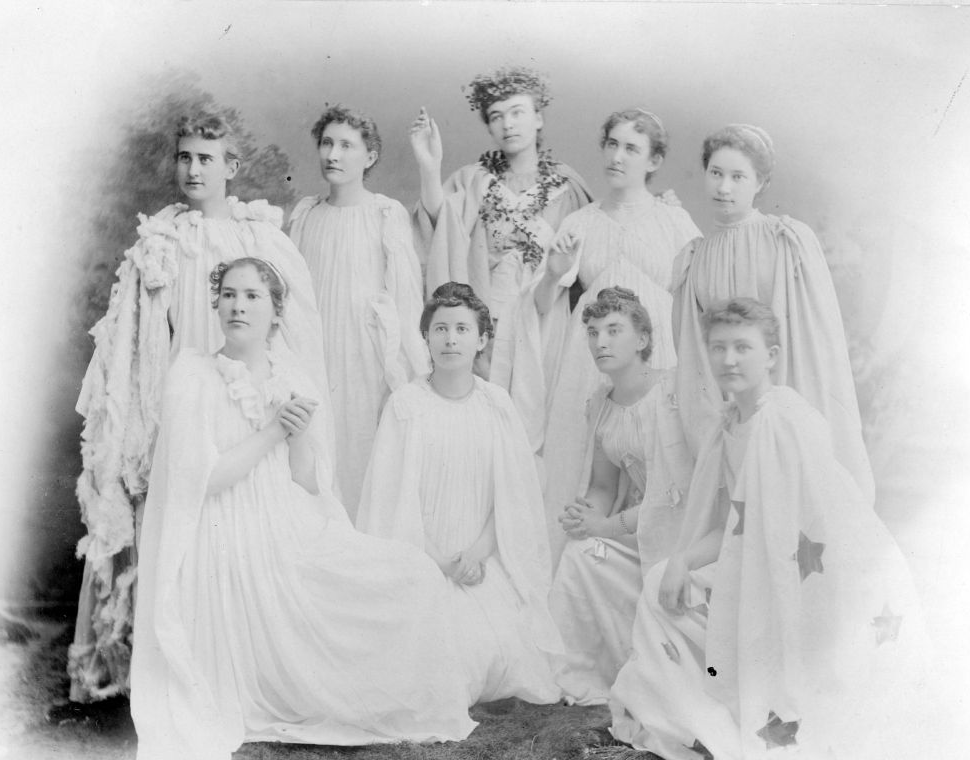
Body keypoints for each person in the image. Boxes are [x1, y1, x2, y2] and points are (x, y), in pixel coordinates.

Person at [131, 259, 476, 760]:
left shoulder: (292, 375)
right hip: (224, 534)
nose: (238, 306)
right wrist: (274, 429)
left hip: (287, 520)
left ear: (276, 312)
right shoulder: (193, 375)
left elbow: (308, 481)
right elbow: (204, 481)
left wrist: (297, 435)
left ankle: (399, 698)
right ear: (216, 305)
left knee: (413, 573)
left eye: (253, 296)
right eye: (229, 294)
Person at [70, 114, 332, 703]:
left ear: (231, 168)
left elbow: (290, 330)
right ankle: (160, 659)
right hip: (179, 392)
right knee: (167, 522)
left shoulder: (258, 239)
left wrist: (277, 398)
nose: (193, 169)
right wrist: (148, 413)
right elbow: (138, 340)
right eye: (185, 157)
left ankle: (234, 658)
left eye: (206, 159)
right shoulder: (161, 240)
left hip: (243, 397)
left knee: (237, 524)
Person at [608, 299, 938, 760]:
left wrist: (751, 578)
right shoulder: (728, 425)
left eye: (742, 347)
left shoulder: (785, 420)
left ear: (772, 355)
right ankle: (700, 712)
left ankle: (775, 715)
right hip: (755, 563)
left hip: (811, 573)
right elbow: (736, 524)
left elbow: (817, 524)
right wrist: (681, 561)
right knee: (661, 583)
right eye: (718, 347)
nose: (728, 359)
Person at [357, 282, 563, 706]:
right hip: (423, 558)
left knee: (501, 653)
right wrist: (440, 563)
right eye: (441, 329)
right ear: (426, 337)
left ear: (482, 339)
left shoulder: (497, 405)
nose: (450, 339)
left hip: (481, 559)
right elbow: (393, 502)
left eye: (462, 329)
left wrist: (475, 555)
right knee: (437, 659)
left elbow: (512, 500)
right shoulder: (406, 405)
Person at [672, 124, 873, 503]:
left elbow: (812, 341)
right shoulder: (694, 259)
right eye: (715, 173)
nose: (724, 187)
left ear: (760, 182)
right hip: (728, 413)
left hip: (787, 399)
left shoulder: (786, 240)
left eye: (738, 177)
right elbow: (694, 358)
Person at [535, 110, 700, 556]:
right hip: (588, 359)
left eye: (631, 148)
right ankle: (574, 556)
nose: (617, 156)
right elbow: (542, 306)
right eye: (611, 144)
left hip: (656, 353)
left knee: (658, 459)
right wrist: (551, 275)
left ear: (654, 160)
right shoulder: (580, 223)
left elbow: (700, 299)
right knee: (583, 459)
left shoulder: (674, 221)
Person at [409, 65, 592, 450]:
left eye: (517, 112)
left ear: (538, 117)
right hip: (487, 322)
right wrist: (430, 167)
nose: (507, 124)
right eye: (496, 116)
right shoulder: (473, 180)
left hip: (544, 323)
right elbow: (441, 225)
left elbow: (595, 252)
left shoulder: (568, 187)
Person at [548, 287, 693, 705]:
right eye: (593, 333)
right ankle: (589, 672)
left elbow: (676, 491)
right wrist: (585, 519)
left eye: (614, 330)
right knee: (581, 553)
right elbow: (603, 486)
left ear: (643, 339)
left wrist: (606, 525)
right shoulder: (601, 403)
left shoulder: (673, 391)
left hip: (681, 526)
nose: (601, 342)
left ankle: (660, 673)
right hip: (635, 526)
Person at [288, 104, 428, 518]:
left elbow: (406, 301)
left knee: (361, 453)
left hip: (364, 356)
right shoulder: (305, 214)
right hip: (313, 351)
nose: (333, 154)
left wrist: (404, 373)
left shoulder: (385, 214)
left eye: (346, 146)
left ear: (369, 157)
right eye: (327, 143)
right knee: (315, 451)